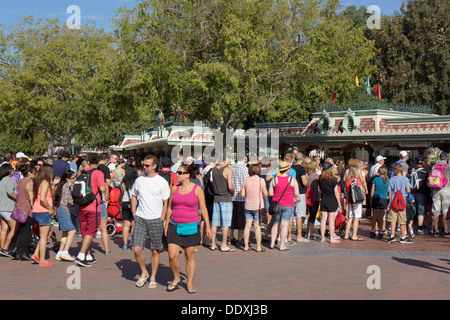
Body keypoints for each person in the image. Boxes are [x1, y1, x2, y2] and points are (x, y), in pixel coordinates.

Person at [164, 164, 211, 293]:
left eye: (180, 173)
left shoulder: (197, 189)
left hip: (191, 225)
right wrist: (166, 224)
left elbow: (203, 208)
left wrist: (208, 226)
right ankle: (176, 278)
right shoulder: (174, 189)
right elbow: (169, 208)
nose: (177, 175)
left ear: (187, 175)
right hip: (175, 224)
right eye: (177, 172)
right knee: (172, 256)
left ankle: (189, 283)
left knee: (189, 256)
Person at [131, 155, 170, 288]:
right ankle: (144, 272)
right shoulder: (139, 180)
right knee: (136, 249)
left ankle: (153, 276)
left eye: (147, 165)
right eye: (144, 165)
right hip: (141, 217)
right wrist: (134, 212)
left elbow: (166, 202)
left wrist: (162, 218)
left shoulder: (161, 182)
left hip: (156, 218)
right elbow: (134, 196)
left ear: (154, 166)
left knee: (155, 250)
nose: (145, 167)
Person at [74, 153, 106, 267]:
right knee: (91, 231)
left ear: (88, 162)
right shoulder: (98, 173)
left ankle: (88, 256)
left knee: (84, 230)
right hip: (94, 205)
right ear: (98, 162)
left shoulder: (82, 173)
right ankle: (81, 255)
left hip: (82, 205)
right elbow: (102, 188)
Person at [268, 162, 300, 251]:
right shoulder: (292, 180)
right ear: (287, 170)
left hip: (276, 204)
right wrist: (295, 196)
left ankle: (272, 243)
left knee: (275, 224)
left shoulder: (274, 180)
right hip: (288, 204)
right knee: (284, 225)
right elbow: (297, 193)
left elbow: (270, 193)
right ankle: (282, 245)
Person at [31, 164, 58, 266]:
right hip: (43, 211)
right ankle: (42, 259)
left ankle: (36, 253)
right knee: (43, 236)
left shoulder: (39, 182)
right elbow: (43, 198)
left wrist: (53, 185)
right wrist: (50, 208)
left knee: (46, 234)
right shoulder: (45, 182)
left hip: (37, 210)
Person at [210, 155, 235, 252]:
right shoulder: (228, 169)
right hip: (225, 197)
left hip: (216, 197)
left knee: (215, 223)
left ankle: (213, 244)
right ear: (226, 158)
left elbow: (212, 181)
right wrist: (232, 192)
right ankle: (224, 245)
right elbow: (230, 186)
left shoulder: (214, 169)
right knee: (226, 223)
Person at [241, 164, 268, 252]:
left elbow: (242, 194)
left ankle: (246, 246)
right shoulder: (261, 180)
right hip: (257, 206)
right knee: (257, 226)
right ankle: (259, 247)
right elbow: (266, 193)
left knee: (247, 225)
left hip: (248, 205)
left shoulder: (246, 180)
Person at [12, 164, 36, 261]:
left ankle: (17, 249)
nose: (35, 175)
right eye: (34, 173)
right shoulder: (30, 183)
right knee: (25, 231)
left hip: (19, 207)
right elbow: (31, 197)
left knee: (22, 230)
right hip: (27, 209)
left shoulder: (20, 181)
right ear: (30, 173)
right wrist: (33, 208)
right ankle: (24, 252)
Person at [54, 170, 77, 261]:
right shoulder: (68, 186)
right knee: (72, 231)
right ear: (67, 179)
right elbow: (70, 200)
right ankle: (65, 252)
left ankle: (60, 252)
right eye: (73, 178)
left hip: (61, 209)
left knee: (65, 233)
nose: (75, 179)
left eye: (75, 177)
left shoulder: (62, 186)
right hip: (66, 210)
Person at [387, 164, 413, 243]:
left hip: (393, 202)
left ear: (395, 171)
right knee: (402, 220)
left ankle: (392, 236)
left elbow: (389, 191)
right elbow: (408, 190)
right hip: (402, 202)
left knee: (393, 220)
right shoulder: (405, 179)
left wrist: (389, 203)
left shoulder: (391, 179)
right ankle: (403, 237)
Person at [318, 162, 341, 244]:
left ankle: (322, 238)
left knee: (323, 219)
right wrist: (339, 203)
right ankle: (331, 238)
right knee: (331, 220)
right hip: (332, 200)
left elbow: (319, 190)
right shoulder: (333, 179)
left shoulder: (320, 178)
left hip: (324, 199)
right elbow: (336, 192)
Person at [230, 155, 249, 246]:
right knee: (241, 219)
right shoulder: (244, 168)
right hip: (241, 197)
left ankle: (231, 237)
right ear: (244, 158)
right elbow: (247, 182)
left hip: (232, 196)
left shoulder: (232, 167)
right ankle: (240, 238)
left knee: (232, 218)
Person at [0, 164, 18, 257]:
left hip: (1, 208)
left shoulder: (1, 180)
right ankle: (5, 248)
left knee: (4, 229)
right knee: (14, 229)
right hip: (8, 208)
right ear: (8, 170)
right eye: (12, 169)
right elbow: (10, 192)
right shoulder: (10, 180)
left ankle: (2, 248)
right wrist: (18, 198)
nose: (13, 170)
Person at [430, 152, 450, 237]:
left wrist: (432, 190)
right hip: (446, 190)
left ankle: (436, 230)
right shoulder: (448, 167)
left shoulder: (434, 167)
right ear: (446, 158)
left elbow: (431, 179)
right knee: (445, 211)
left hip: (435, 190)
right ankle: (446, 230)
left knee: (436, 211)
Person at [291, 152, 309, 242]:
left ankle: (288, 236)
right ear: (302, 159)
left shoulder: (290, 168)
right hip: (300, 193)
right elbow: (305, 182)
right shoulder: (302, 169)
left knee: (290, 215)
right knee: (299, 214)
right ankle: (299, 236)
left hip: (290, 192)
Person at [344, 165, 364, 241]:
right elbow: (361, 188)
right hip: (357, 200)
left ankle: (346, 234)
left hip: (350, 200)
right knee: (356, 217)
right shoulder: (357, 180)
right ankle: (354, 235)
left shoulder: (348, 180)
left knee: (350, 217)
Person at [410, 156, 429, 235]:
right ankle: (419, 228)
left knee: (412, 211)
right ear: (423, 162)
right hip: (422, 193)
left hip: (412, 192)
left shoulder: (411, 171)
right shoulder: (425, 172)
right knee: (421, 211)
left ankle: (410, 227)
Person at [121, 165, 138, 250]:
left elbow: (122, 192)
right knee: (133, 224)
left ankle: (125, 244)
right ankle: (132, 243)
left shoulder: (123, 182)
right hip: (133, 203)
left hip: (124, 202)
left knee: (126, 225)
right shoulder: (136, 182)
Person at [370, 166, 389, 238]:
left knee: (374, 215)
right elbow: (389, 191)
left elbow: (372, 192)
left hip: (375, 198)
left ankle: (373, 230)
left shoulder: (375, 179)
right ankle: (381, 231)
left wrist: (371, 200)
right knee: (381, 216)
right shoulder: (388, 180)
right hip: (384, 199)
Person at [305, 161, 320, 240]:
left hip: (307, 197)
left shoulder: (306, 176)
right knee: (312, 216)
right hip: (315, 197)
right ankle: (309, 234)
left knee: (309, 215)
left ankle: (308, 232)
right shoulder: (316, 176)